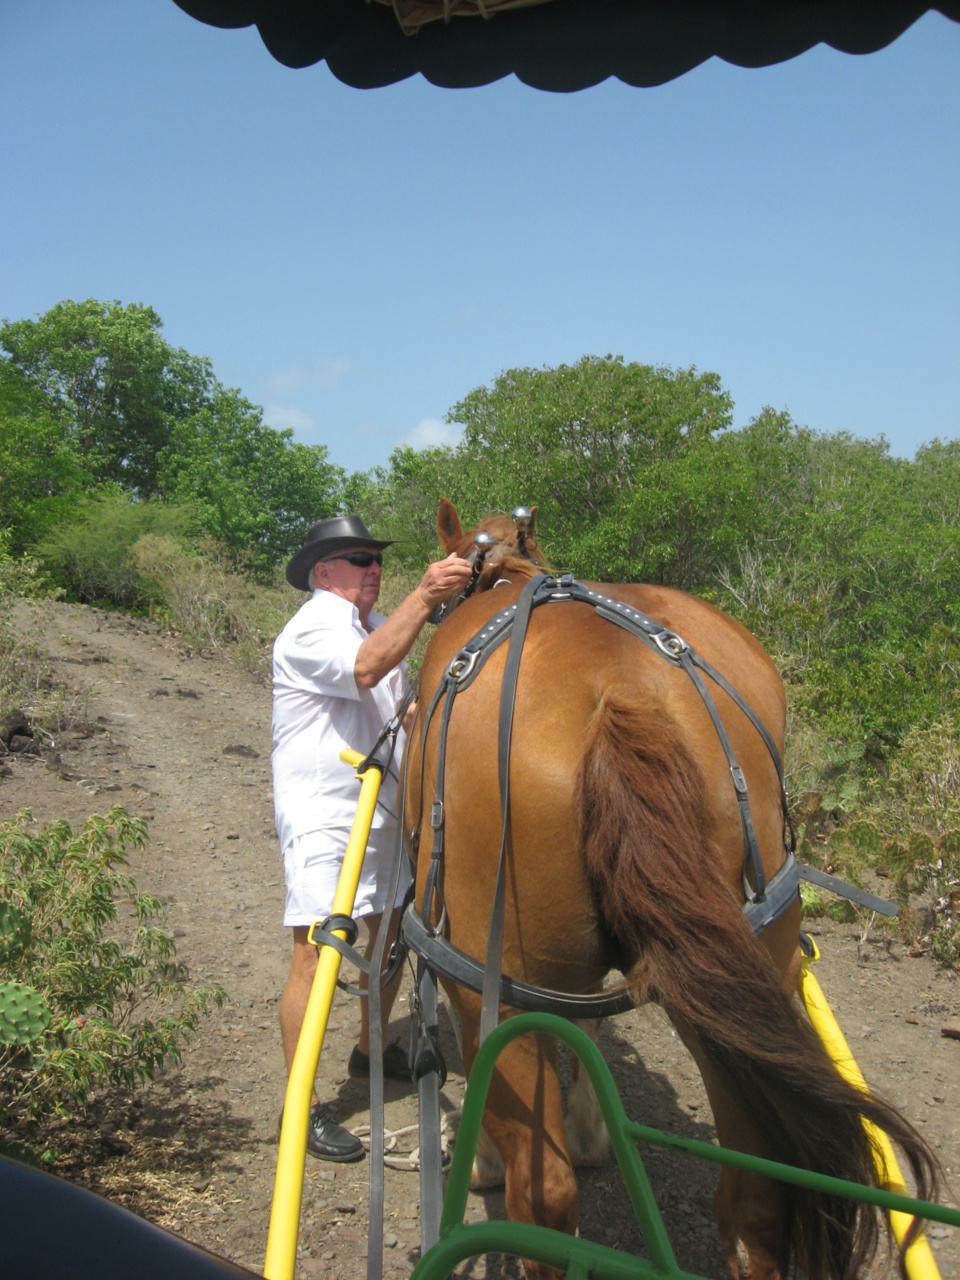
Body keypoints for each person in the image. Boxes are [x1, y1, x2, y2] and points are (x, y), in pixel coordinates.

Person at [272, 515, 473, 1161]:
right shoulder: (314, 625)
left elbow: (399, 709)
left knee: (389, 933)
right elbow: (364, 669)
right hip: (327, 812)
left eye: (375, 557)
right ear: (322, 572)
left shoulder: (375, 625)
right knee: (319, 951)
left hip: (381, 808)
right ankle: (300, 1107)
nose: (372, 567)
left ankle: (372, 1046)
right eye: (358, 558)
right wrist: (427, 595)